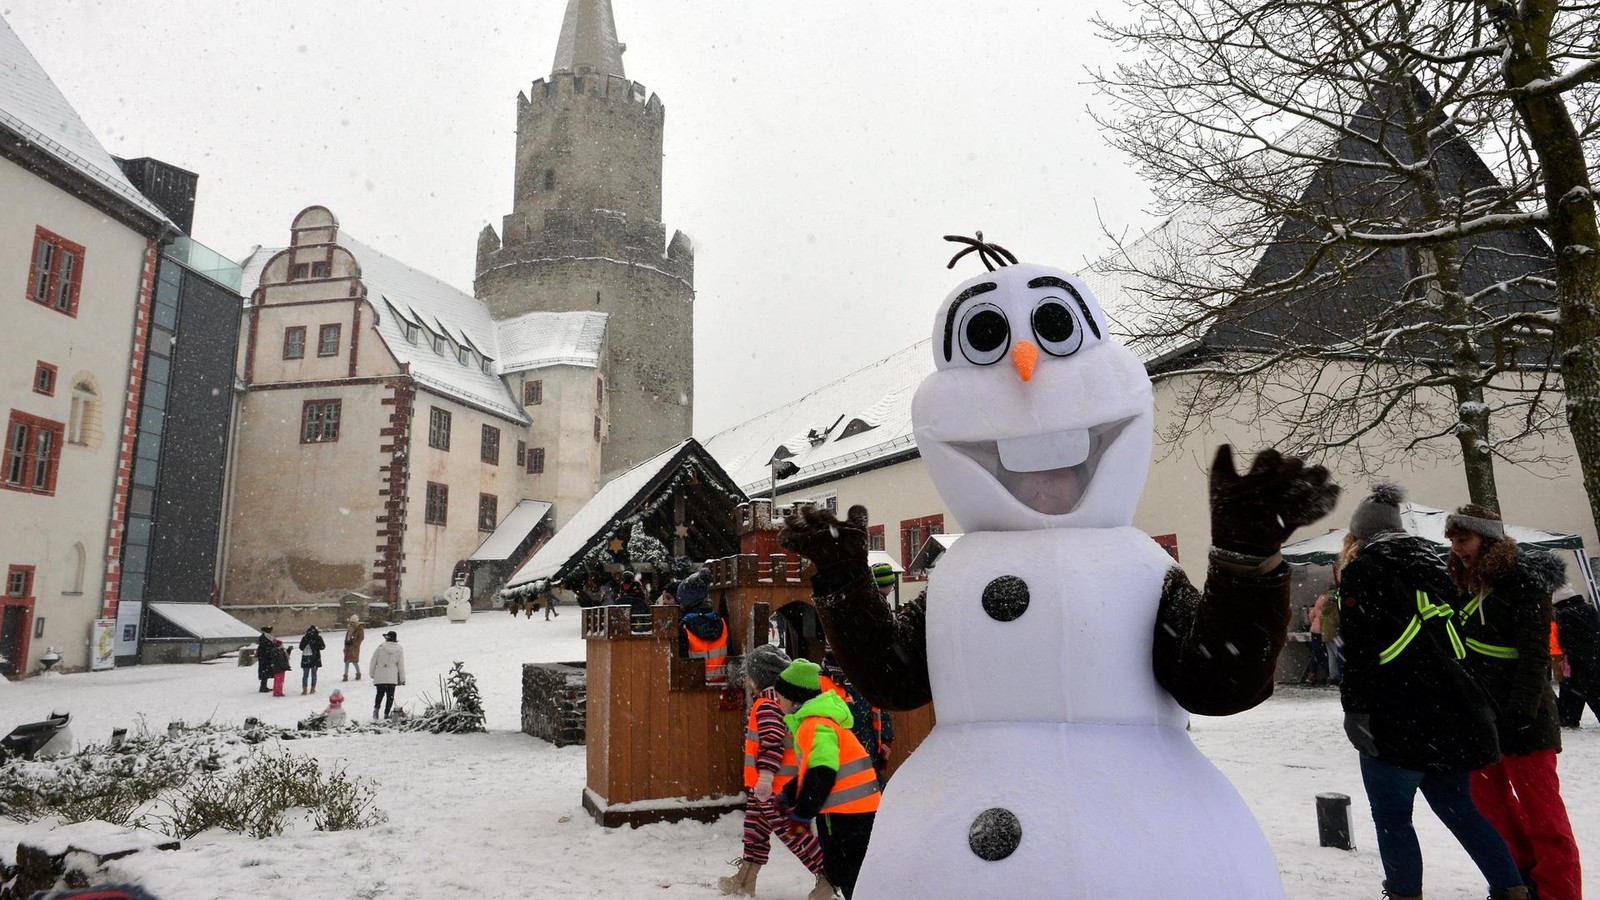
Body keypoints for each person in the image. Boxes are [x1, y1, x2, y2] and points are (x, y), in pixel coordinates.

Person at [1337, 484, 1525, 900]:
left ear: (1359, 535)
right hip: (1453, 715)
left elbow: (1362, 652)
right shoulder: (1437, 564)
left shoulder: (1363, 569)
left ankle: (1406, 894)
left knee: (1393, 819)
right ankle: (1512, 890)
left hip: (1396, 717)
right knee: (1464, 814)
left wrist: (1356, 709)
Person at [1447, 503, 1581, 899]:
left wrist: (1520, 711)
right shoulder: (1464, 580)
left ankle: (1559, 892)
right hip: (1481, 717)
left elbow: (1534, 655)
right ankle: (1519, 883)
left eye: (1463, 539)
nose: (1456, 548)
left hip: (1526, 718)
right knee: (1490, 808)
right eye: (1452, 540)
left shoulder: (1523, 580)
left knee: (1545, 818)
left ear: (1486, 539)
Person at [718, 644, 833, 899]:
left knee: (795, 834)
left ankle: (828, 878)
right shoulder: (772, 701)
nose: (746, 679)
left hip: (776, 786)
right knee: (754, 834)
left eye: (749, 674)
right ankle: (745, 880)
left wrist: (766, 778)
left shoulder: (768, 705)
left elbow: (771, 743)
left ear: (759, 678)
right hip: (763, 787)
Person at [773, 658, 880, 900]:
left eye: (779, 697)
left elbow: (822, 773)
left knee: (851, 872)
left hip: (846, 813)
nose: (777, 702)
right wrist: (789, 795)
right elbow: (812, 771)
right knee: (845, 869)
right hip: (854, 809)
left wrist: (802, 812)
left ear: (793, 698)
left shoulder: (815, 725)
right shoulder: (816, 723)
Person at [1555, 594, 1600, 728]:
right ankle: (1567, 717)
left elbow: (1565, 641)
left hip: (1577, 664)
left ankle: (1568, 717)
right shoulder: (1588, 610)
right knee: (1590, 690)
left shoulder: (1565, 614)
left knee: (1578, 691)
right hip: (1590, 661)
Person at [678, 570, 729, 684]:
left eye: (680, 601)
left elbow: (682, 660)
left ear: (687, 603)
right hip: (721, 682)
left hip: (695, 684)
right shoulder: (721, 622)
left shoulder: (684, 626)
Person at [370, 630, 406, 720]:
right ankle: (386, 713)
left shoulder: (380, 648)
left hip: (380, 674)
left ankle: (376, 710)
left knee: (379, 694)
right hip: (392, 676)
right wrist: (402, 678)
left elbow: (373, 661)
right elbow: (401, 665)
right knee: (390, 696)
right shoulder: (399, 650)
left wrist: (372, 673)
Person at [1301, 594, 1329, 684]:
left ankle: (1311, 674)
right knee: (1325, 653)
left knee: (1316, 652)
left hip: (1314, 630)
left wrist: (1314, 623)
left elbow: (1311, 615)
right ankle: (1329, 674)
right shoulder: (1329, 600)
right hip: (1324, 630)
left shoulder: (1321, 598)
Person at [298, 625, 325, 696]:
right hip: (315, 658)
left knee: (305, 675)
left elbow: (301, 647)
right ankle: (313, 688)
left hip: (306, 658)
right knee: (314, 674)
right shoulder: (318, 638)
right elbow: (322, 647)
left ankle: (304, 689)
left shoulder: (305, 637)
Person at [343, 615, 364, 682]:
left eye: (353, 622)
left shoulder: (359, 629)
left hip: (354, 648)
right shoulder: (349, 628)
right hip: (348, 647)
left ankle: (358, 674)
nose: (351, 623)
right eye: (351, 622)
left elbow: (360, 638)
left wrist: (354, 643)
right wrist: (346, 643)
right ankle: (345, 675)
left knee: (354, 661)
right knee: (347, 662)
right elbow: (346, 637)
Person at [255, 626, 275, 693]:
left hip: (265, 657)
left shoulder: (266, 637)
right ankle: (263, 687)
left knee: (265, 672)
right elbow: (266, 647)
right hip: (265, 657)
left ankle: (264, 686)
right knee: (264, 672)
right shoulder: (265, 638)